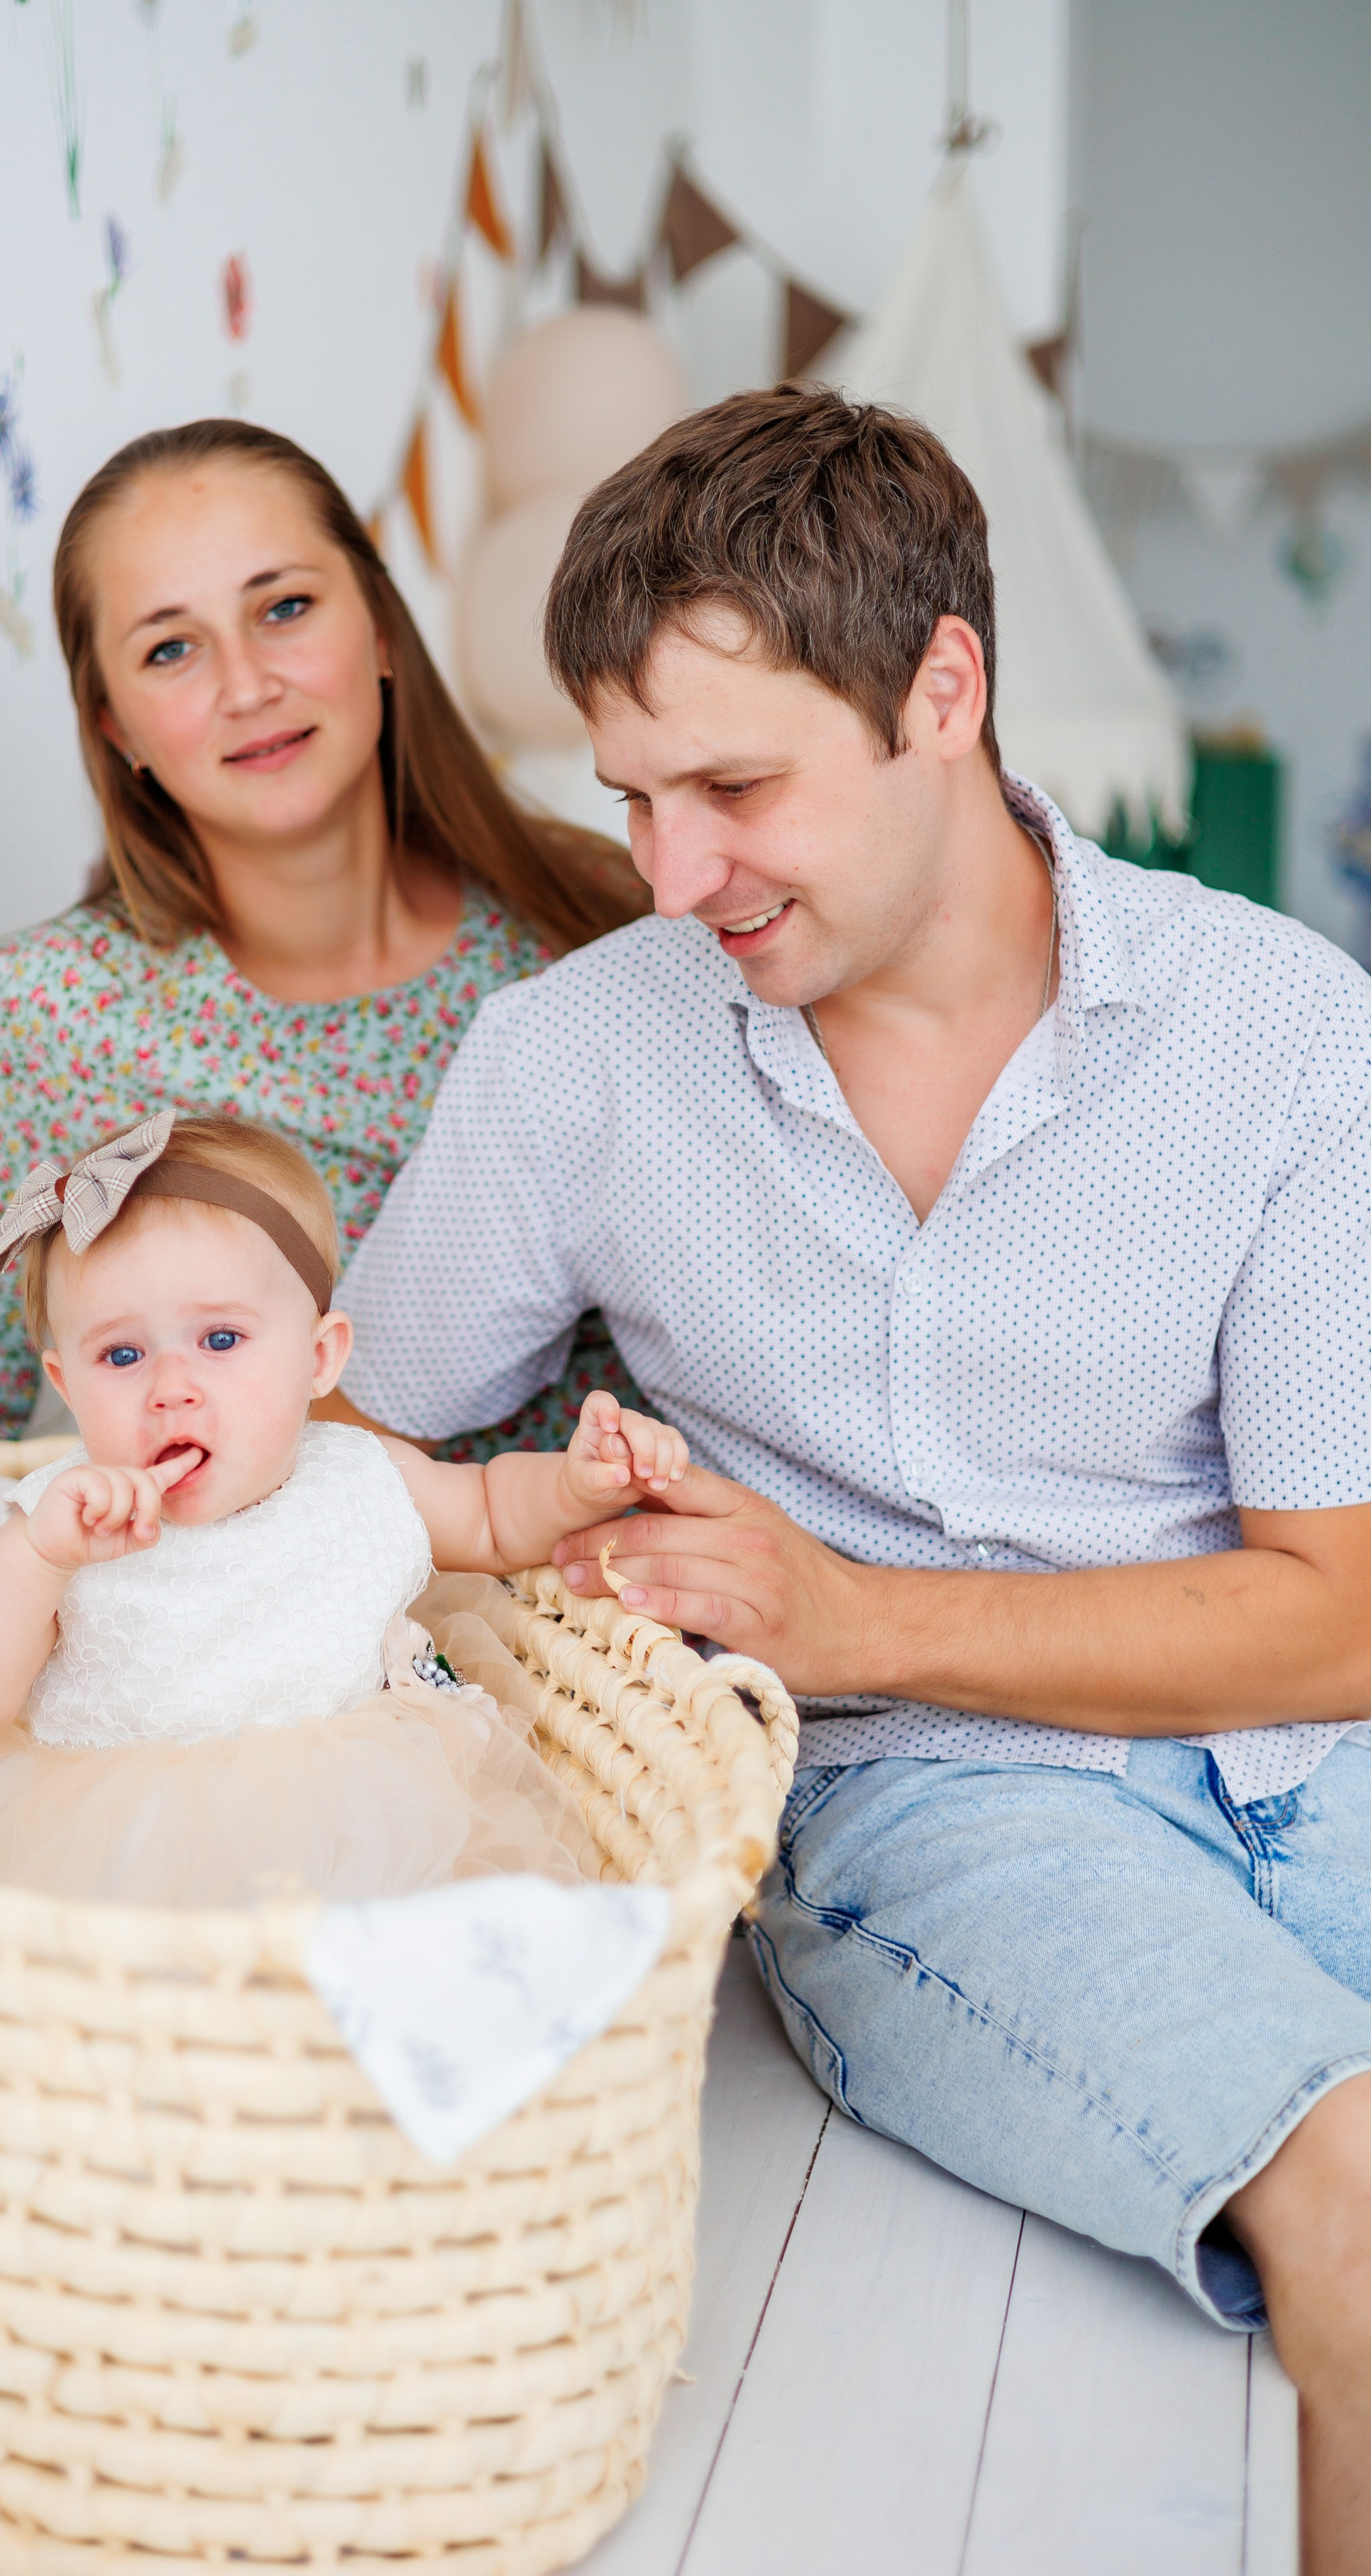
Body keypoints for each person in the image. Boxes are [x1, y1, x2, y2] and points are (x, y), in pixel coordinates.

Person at [336, 385, 1371, 2571]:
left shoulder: (1283, 1034)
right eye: (630, 797)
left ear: (944, 693)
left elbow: (1337, 1611)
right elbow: (354, 1454)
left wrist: (850, 1606)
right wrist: (524, 1532)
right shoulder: (575, 1066)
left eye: (734, 786)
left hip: (1315, 1746)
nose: (671, 872)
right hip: (931, 1811)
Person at [0, 418, 645, 1461]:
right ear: (116, 727)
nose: (246, 685)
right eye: (171, 649)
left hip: (633, 1608)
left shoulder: (601, 915)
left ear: (381, 631)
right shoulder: (41, 1020)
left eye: (284, 607)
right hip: (303, 1613)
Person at [0, 1110, 686, 1910]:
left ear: (320, 1358)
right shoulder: (64, 1521)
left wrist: (575, 1486)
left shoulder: (361, 1475)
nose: (173, 1388)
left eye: (222, 1339)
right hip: (109, 1847)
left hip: (358, 1824)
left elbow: (488, 1516)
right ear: (65, 1386)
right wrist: (33, 1561)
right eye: (122, 1356)